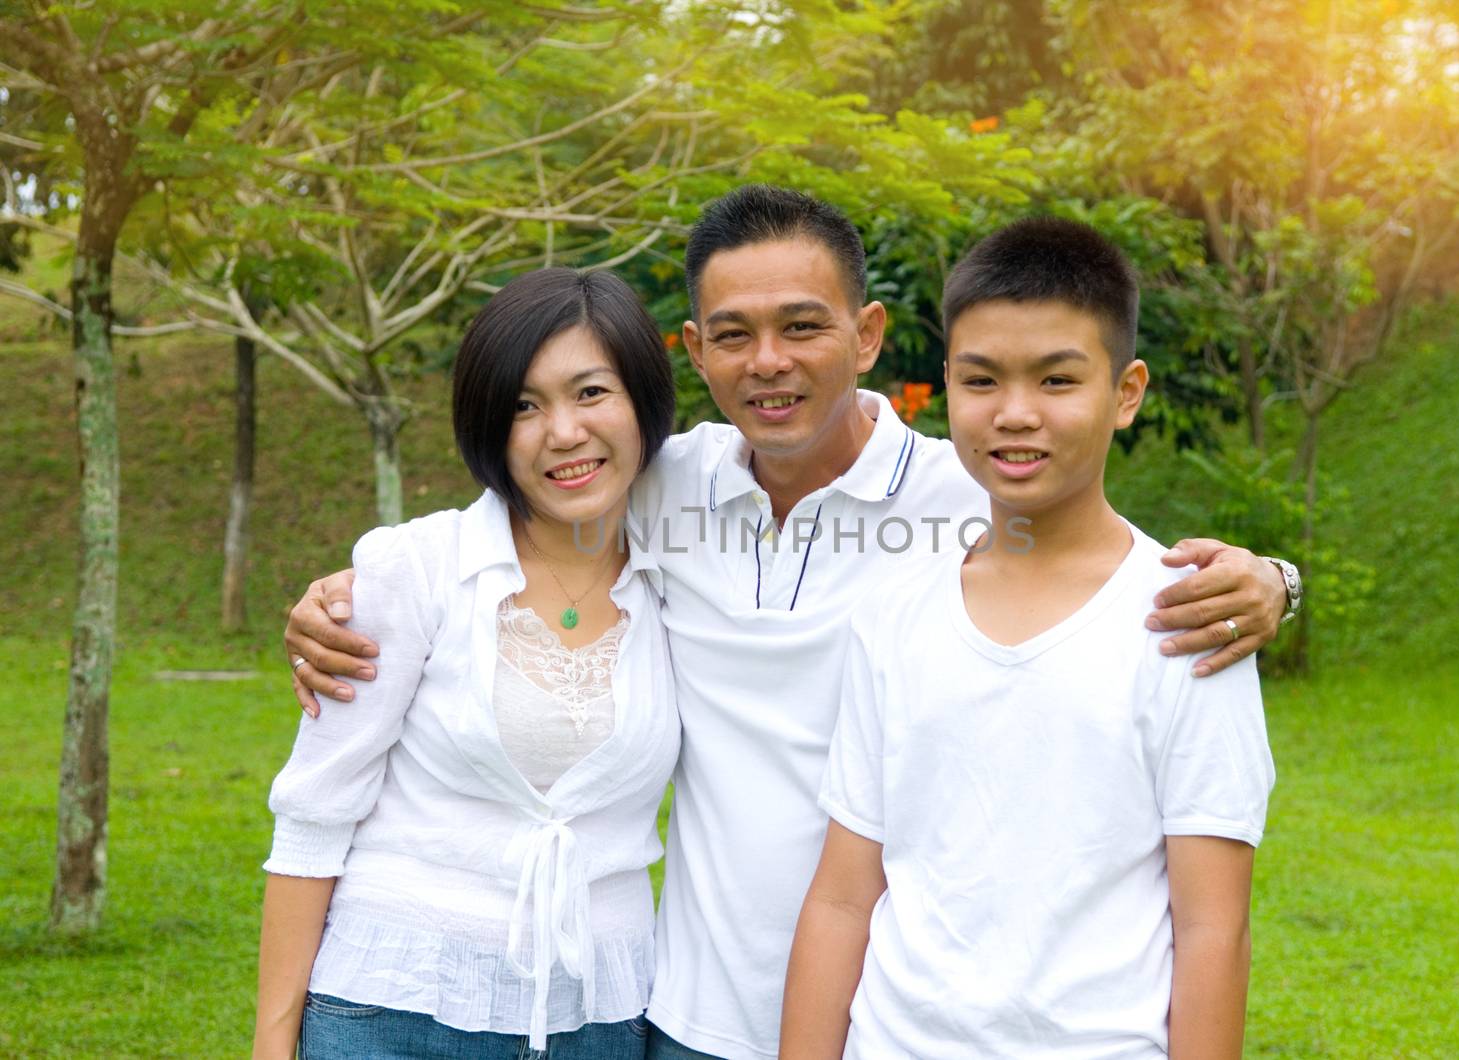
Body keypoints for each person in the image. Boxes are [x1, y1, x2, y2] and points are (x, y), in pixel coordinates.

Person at [284, 186, 1297, 1060]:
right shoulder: (658, 483)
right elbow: (515, 516)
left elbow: (1109, 562)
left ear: (866, 334)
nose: (768, 361)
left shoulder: (965, 493)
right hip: (680, 1010)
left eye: (803, 326)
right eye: (733, 334)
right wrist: (350, 588)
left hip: (877, 1016)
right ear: (695, 351)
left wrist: (1273, 581)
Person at [780, 217, 1274, 1058]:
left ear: (1126, 392)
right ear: (945, 387)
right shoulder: (894, 613)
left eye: (1056, 380)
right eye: (983, 380)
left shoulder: (1186, 624)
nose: (1015, 415)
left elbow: (1212, 931)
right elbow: (841, 898)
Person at [254, 269, 681, 1060]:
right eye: (524, 405)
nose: (563, 432)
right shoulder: (415, 569)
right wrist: (272, 1047)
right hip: (391, 1012)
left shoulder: (686, 578)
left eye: (591, 392)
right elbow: (314, 820)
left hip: (602, 1020)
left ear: (644, 401)